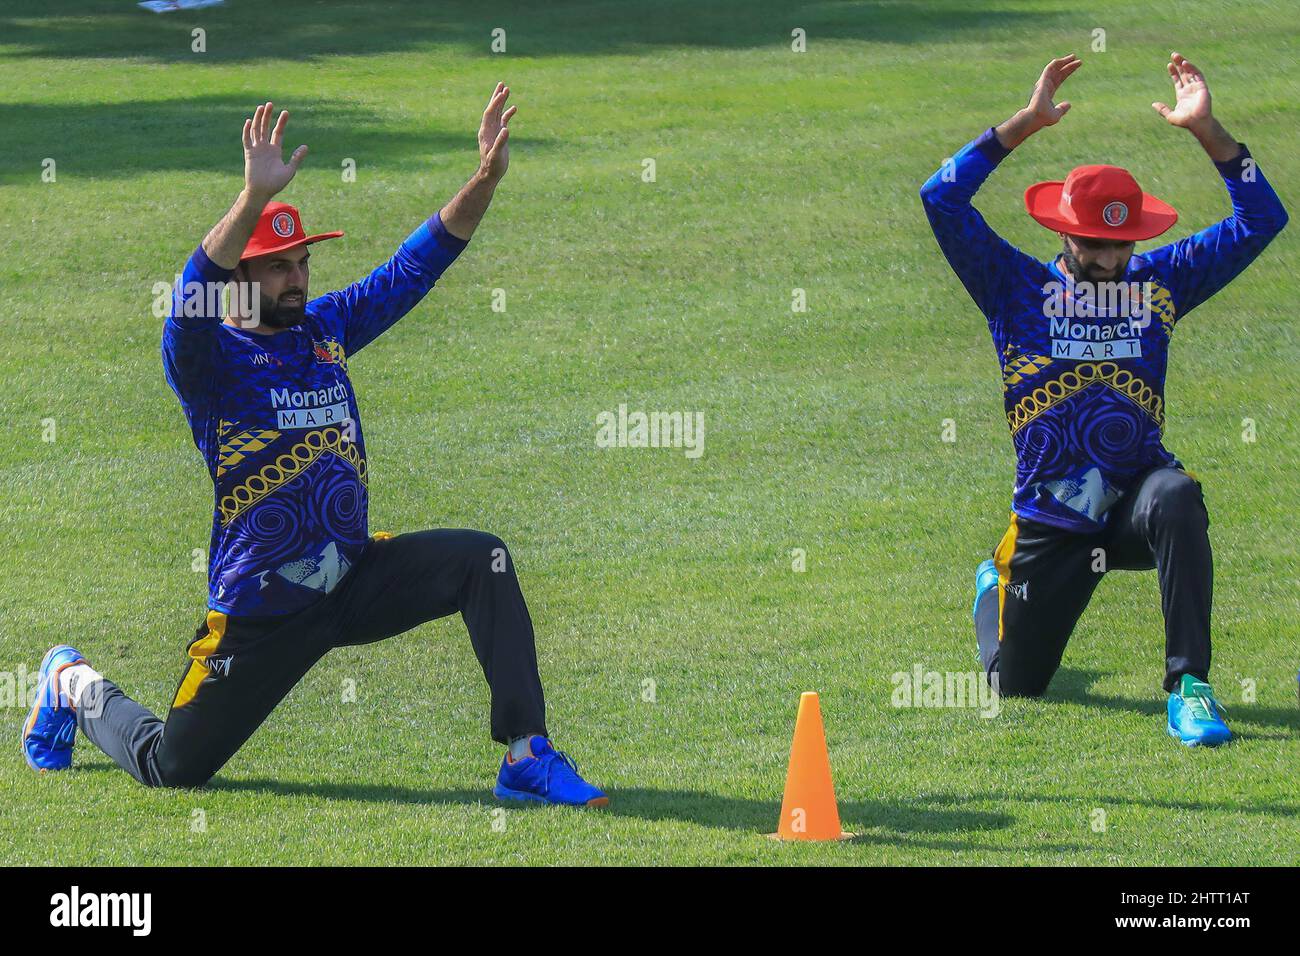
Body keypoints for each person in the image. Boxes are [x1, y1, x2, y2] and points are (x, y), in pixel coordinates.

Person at [23, 85, 607, 804]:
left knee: (482, 559)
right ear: (240, 277)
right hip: (263, 610)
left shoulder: (323, 331)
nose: (297, 278)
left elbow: (412, 270)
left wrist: (483, 180)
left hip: (352, 577)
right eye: (277, 266)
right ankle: (71, 682)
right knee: (173, 767)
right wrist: (249, 200)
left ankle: (525, 753)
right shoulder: (207, 363)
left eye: (301, 263)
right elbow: (187, 299)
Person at [920, 53, 1287, 745]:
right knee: (1015, 684)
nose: (1110, 258)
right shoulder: (1013, 288)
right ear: (1062, 229)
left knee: (1176, 495)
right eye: (1095, 242)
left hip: (1132, 506)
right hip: (1052, 523)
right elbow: (939, 198)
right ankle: (992, 586)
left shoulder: (1161, 283)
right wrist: (1023, 126)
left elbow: (1261, 219)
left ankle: (1191, 688)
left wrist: (1210, 133)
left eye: (1123, 244)